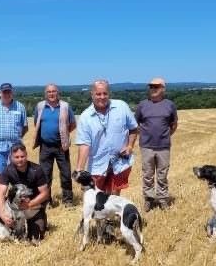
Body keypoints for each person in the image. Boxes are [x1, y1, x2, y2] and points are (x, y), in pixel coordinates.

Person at [74, 79, 138, 196]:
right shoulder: (85, 117)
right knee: (95, 199)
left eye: (105, 93)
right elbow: (84, 145)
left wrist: (130, 146)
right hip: (97, 164)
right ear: (92, 94)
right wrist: (79, 169)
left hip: (119, 163)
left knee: (114, 197)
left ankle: (114, 214)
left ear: (109, 94)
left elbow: (133, 128)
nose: (102, 97)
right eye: (98, 94)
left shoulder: (122, 107)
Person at [135, 77, 178, 211]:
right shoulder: (142, 105)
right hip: (146, 146)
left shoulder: (170, 105)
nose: (153, 89)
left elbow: (174, 124)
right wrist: (144, 135)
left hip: (163, 146)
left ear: (163, 89)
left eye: (156, 86)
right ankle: (149, 199)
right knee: (147, 175)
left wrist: (165, 136)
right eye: (151, 86)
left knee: (162, 175)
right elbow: (135, 124)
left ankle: (162, 199)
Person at [32, 83, 76, 207]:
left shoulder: (65, 106)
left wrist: (64, 136)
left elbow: (72, 124)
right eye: (49, 92)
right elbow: (37, 124)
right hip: (45, 146)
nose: (51, 94)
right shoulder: (40, 106)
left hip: (61, 146)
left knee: (66, 174)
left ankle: (68, 201)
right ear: (45, 94)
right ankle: (46, 201)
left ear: (58, 93)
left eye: (54, 91)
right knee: (45, 175)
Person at [0, 143, 50, 243]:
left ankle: (40, 218)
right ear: (11, 157)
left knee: (35, 239)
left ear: (26, 155)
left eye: (22, 156)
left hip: (34, 206)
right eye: (16, 157)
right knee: (12, 237)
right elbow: (1, 194)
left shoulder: (36, 169)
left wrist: (29, 204)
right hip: (16, 207)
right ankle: (13, 225)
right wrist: (2, 214)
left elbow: (45, 193)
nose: (20, 159)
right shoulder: (8, 170)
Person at [0, 83, 28, 187]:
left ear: (12, 93)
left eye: (9, 92)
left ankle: (16, 200)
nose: (7, 94)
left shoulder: (20, 107)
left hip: (15, 147)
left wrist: (17, 137)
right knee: (0, 174)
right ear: (0, 93)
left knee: (17, 173)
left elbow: (25, 127)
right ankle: (0, 200)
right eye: (4, 92)